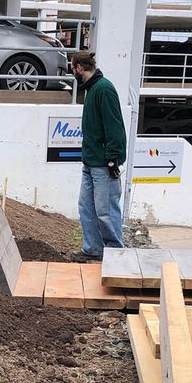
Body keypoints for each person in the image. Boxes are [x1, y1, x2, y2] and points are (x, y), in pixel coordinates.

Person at [68, 51, 127, 262]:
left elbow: (115, 126)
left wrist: (113, 159)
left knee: (106, 210)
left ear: (80, 67)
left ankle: (115, 253)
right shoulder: (92, 89)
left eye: (72, 67)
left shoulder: (103, 89)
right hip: (91, 161)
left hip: (103, 163)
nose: (72, 71)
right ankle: (93, 248)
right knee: (87, 207)